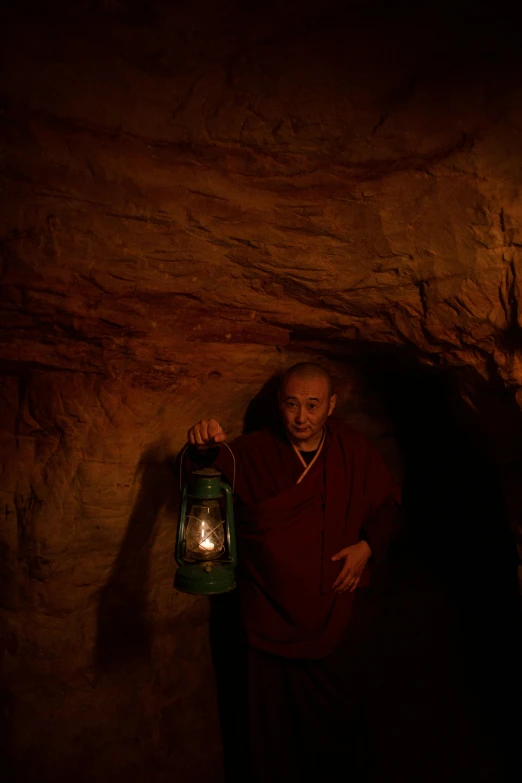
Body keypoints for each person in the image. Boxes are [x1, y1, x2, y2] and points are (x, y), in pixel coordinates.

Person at [186, 362, 400, 782]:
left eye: (313, 405)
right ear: (279, 405)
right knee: (271, 736)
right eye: (292, 405)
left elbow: (389, 508)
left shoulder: (353, 451)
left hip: (332, 619)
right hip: (267, 621)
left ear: (331, 406)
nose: (302, 417)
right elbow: (202, 472)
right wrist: (200, 445)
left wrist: (368, 546)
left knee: (332, 733)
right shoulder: (254, 452)